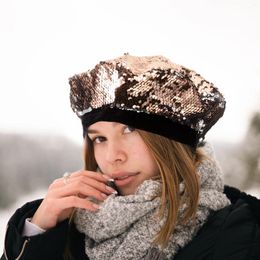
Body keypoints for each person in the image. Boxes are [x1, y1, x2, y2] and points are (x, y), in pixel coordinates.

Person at [1, 54, 260, 260]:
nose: (112, 157)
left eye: (129, 130)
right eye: (99, 138)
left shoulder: (242, 232)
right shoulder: (71, 225)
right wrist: (37, 233)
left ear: (171, 143)